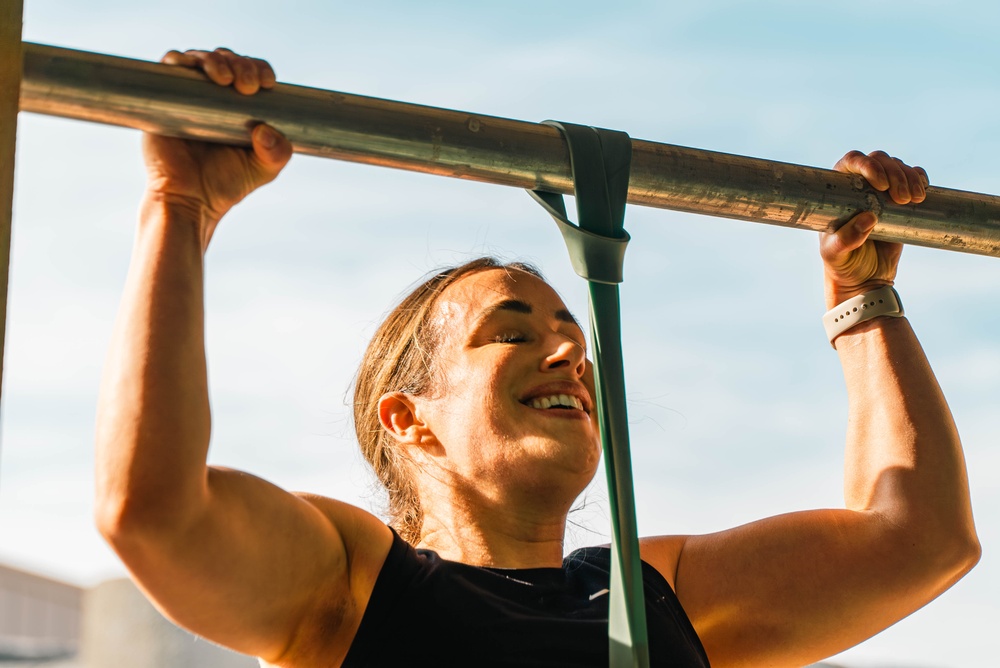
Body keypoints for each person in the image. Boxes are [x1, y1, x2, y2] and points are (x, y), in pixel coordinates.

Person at [94, 48, 981, 667]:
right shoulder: (350, 585)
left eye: (569, 332)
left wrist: (863, 303)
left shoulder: (657, 596)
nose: (567, 350)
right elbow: (155, 512)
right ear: (409, 420)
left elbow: (918, 540)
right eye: (510, 332)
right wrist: (180, 203)